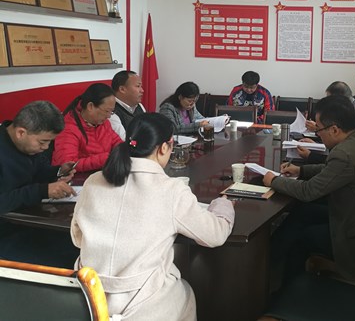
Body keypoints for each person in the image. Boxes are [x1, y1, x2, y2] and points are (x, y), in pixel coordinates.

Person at [71, 112, 234, 320]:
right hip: (143, 303)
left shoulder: (94, 181)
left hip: (88, 298)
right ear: (164, 147)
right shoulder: (171, 190)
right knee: (185, 292)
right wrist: (223, 204)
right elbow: (215, 235)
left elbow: (77, 237)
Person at [263, 95, 355, 281]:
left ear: (334, 129)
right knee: (303, 212)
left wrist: (273, 181)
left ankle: (285, 287)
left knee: (302, 237)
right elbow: (331, 170)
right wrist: (301, 170)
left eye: (319, 129)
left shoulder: (345, 154)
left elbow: (308, 191)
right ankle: (268, 260)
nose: (318, 134)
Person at [0, 101, 78, 267]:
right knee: (66, 260)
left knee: (79, 247)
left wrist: (58, 172)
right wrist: (42, 191)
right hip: (6, 234)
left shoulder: (27, 146)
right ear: (21, 132)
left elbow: (37, 171)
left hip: (26, 223)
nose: (46, 147)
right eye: (43, 142)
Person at [52, 83, 123, 173]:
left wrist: (125, 149)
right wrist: (102, 159)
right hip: (78, 178)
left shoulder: (103, 123)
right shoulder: (69, 128)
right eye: (107, 111)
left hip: (102, 173)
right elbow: (67, 165)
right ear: (90, 106)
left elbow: (116, 141)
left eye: (111, 112)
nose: (109, 116)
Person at [109, 70, 146, 140]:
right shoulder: (111, 111)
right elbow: (124, 141)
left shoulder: (139, 106)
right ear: (122, 89)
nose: (142, 90)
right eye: (138, 86)